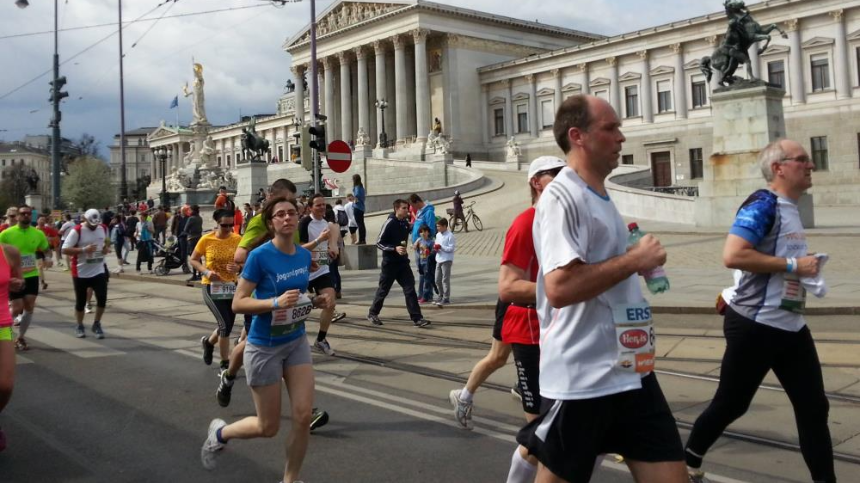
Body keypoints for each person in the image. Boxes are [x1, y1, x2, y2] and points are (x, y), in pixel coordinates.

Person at [516, 95, 687, 483]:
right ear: (578, 136)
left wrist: (632, 264)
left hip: (631, 368)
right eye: (610, 128)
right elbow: (559, 287)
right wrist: (634, 260)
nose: (621, 137)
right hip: (583, 377)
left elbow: (602, 274)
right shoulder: (562, 196)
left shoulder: (602, 196)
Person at [684, 139, 835, 483]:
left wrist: (804, 269)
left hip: (790, 325)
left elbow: (777, 261)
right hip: (756, 324)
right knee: (732, 403)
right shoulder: (763, 203)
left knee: (814, 408)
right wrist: (794, 264)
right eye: (802, 160)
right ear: (779, 168)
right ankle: (687, 461)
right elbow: (733, 254)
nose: (811, 165)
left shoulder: (791, 207)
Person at [200, 196, 333, 483]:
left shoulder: (302, 256)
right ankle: (220, 433)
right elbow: (238, 303)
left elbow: (297, 298)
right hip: (264, 346)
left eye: (291, 213)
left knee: (302, 417)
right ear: (271, 223)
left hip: (296, 341)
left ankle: (290, 479)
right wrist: (274, 303)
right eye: (280, 214)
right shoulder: (259, 257)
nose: (287, 218)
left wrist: (314, 301)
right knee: (267, 426)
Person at [448, 157, 565, 437]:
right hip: (519, 308)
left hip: (544, 310)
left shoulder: (563, 222)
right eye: (557, 175)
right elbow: (509, 286)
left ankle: (519, 386)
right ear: (537, 182)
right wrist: (566, 288)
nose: (566, 181)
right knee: (498, 357)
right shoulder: (526, 223)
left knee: (505, 359)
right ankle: (465, 396)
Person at [191, 209, 242, 371]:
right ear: (217, 223)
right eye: (224, 225)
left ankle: (208, 342)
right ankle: (224, 364)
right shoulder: (206, 239)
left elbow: (246, 262)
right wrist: (206, 272)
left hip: (231, 286)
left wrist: (238, 267)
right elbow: (193, 259)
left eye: (231, 225)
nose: (228, 228)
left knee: (227, 324)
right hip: (211, 286)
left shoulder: (237, 239)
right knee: (224, 324)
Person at [367, 200, 430, 328]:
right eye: (404, 208)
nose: (407, 210)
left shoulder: (404, 223)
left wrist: (420, 223)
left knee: (410, 289)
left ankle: (417, 318)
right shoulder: (390, 223)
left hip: (403, 263)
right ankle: (373, 313)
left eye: (407, 208)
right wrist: (394, 248)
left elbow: (412, 227)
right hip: (390, 264)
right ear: (396, 209)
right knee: (383, 290)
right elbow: (379, 242)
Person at [0, 205, 52, 351]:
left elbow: (47, 249)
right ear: (18, 216)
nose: (26, 216)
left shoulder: (38, 233)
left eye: (29, 213)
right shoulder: (6, 234)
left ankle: (20, 337)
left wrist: (48, 258)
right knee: (17, 307)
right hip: (14, 276)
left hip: (31, 275)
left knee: (29, 305)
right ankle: (5, 335)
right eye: (23, 213)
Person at [298, 194, 341, 356]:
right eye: (318, 205)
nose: (322, 207)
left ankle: (321, 340)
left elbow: (325, 245)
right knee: (296, 307)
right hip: (304, 271)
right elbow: (300, 249)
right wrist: (319, 240)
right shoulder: (304, 223)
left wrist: (329, 250)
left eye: (323, 204)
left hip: (322, 270)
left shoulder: (326, 223)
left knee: (330, 303)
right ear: (310, 207)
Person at [63, 209, 111, 339]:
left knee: (102, 299)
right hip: (81, 272)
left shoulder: (103, 228)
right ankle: (79, 325)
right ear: (85, 219)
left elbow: (106, 241)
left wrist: (106, 248)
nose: (94, 226)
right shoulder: (77, 230)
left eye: (96, 224)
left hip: (99, 269)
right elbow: (65, 249)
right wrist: (84, 249)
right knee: (81, 302)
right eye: (91, 224)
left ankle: (97, 323)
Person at [0, 241, 23, 452]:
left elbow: (19, 281)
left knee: (5, 386)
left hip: (1, 324)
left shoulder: (8, 251)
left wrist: (16, 284)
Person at [433, 218, 455, 306]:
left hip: (447, 259)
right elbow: (436, 245)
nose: (437, 228)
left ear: (445, 226)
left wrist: (441, 247)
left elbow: (451, 248)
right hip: (439, 258)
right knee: (437, 280)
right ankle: (440, 295)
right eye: (437, 226)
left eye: (439, 226)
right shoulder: (438, 235)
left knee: (445, 280)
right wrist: (435, 248)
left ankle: (446, 298)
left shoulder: (450, 235)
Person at [36, 215, 60, 290]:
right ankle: (43, 282)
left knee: (46, 265)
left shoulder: (48, 229)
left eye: (43, 220)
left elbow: (57, 238)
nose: (42, 221)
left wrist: (49, 238)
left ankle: (40, 277)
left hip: (46, 251)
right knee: (40, 266)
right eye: (41, 219)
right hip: (37, 251)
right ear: (37, 221)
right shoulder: (34, 230)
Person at [412, 225, 435, 303]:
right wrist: (415, 246)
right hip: (420, 263)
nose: (423, 233)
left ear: (428, 232)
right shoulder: (419, 240)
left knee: (428, 280)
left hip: (428, 263)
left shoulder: (431, 242)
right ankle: (420, 295)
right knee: (421, 280)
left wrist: (429, 252)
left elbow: (434, 252)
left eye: (425, 231)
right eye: (421, 232)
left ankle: (428, 296)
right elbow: (415, 249)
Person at [184, 205, 204, 282]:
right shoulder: (200, 218)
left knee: (193, 257)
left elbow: (185, 229)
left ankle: (194, 275)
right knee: (198, 256)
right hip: (199, 238)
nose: (189, 211)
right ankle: (200, 273)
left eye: (190, 210)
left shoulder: (191, 218)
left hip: (191, 239)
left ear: (193, 210)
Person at [352, 174, 367, 244]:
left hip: (357, 207)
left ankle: (361, 240)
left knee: (359, 224)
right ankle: (363, 239)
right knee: (362, 224)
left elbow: (357, 194)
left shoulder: (357, 187)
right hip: (362, 208)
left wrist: (354, 198)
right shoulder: (362, 187)